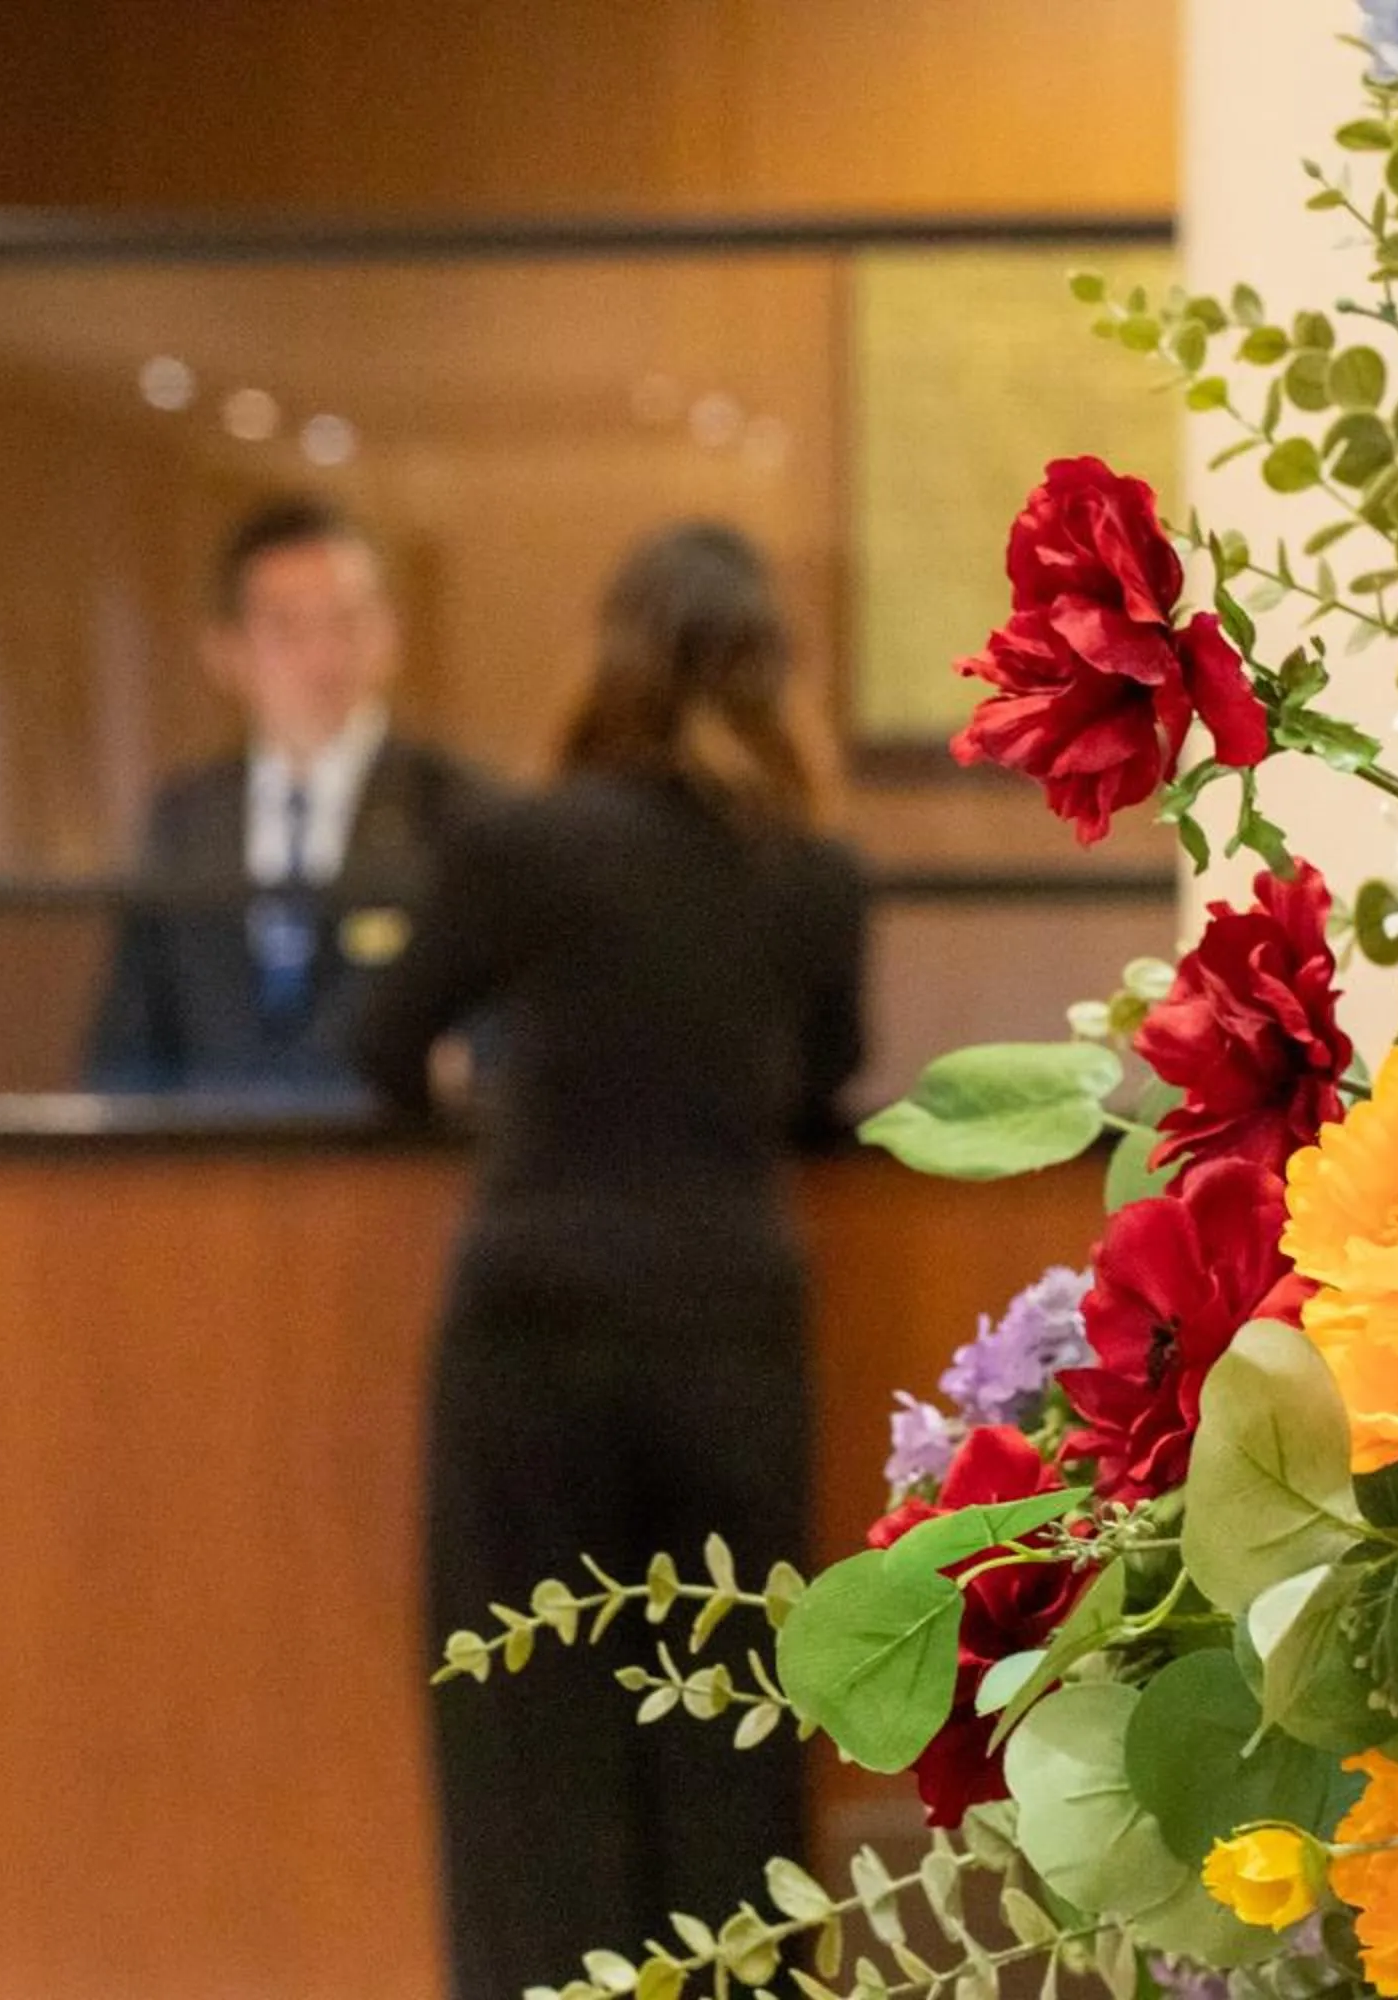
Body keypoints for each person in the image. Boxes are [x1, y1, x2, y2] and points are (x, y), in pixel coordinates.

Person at [352, 523, 868, 2000]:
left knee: (532, 1736)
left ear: (611, 658)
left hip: (534, 1327)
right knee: (733, 1735)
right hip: (727, 1326)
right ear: (775, 676)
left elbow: (381, 1043)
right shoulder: (812, 875)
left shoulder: (523, 844)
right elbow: (822, 1081)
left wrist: (493, 1083)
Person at [85, 496, 498, 1097]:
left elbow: (506, 1022)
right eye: (287, 628)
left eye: (347, 622)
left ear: (388, 636)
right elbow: (126, 1041)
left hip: (390, 1164)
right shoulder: (185, 816)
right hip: (213, 1170)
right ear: (227, 652)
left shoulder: (458, 809)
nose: (323, 657)